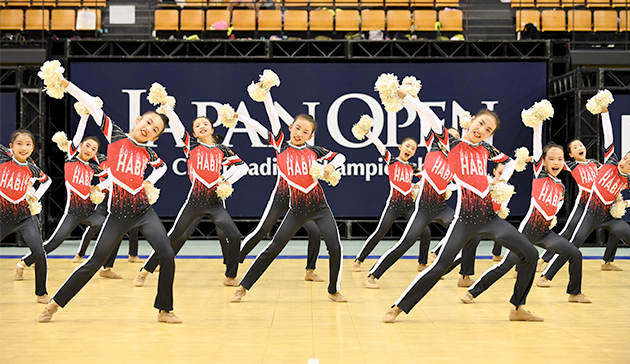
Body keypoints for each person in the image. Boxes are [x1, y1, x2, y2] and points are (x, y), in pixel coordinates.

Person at [383, 89, 542, 323]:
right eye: (481, 124)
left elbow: (508, 162)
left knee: (530, 253)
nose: (482, 130)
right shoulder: (452, 143)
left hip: (490, 218)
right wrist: (407, 97)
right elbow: (430, 116)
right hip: (465, 220)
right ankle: (397, 307)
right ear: (472, 121)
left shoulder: (486, 150)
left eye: (489, 130)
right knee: (439, 266)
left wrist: (502, 178)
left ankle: (517, 307)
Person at [38, 78, 181, 324]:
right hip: (117, 215)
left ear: (156, 136)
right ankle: (54, 304)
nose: (150, 128)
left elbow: (161, 167)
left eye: (156, 129)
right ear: (138, 120)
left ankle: (164, 310)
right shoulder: (115, 135)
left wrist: (149, 181)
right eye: (148, 122)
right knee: (95, 261)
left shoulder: (149, 152)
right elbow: (92, 106)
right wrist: (67, 85)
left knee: (167, 253)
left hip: (144, 211)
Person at [229, 88, 347, 303]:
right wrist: (265, 95)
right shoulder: (281, 145)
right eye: (297, 128)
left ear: (310, 136)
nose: (299, 133)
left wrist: (330, 166)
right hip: (296, 210)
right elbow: (270, 118)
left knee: (335, 246)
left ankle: (333, 290)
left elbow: (341, 156)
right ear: (290, 127)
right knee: (273, 247)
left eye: (305, 132)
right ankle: (243, 287)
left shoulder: (315, 151)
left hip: (320, 208)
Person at [461, 118, 591, 306]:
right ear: (543, 161)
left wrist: (551, 218)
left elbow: (554, 207)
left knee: (575, 254)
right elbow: (538, 148)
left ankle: (574, 292)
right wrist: (537, 124)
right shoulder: (540, 174)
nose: (556, 162)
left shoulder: (561, 186)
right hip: (526, 233)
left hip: (545, 234)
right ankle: (472, 292)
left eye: (560, 159)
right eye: (551, 158)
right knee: (506, 265)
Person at [361, 91, 476, 290]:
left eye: (457, 138)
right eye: (452, 137)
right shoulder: (432, 146)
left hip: (441, 207)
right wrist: (413, 99)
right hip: (422, 208)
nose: (454, 141)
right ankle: (372, 275)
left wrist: (452, 187)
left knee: (471, 234)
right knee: (405, 244)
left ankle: (463, 275)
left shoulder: (457, 160)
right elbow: (426, 116)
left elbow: (459, 183)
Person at [134, 97, 248, 288]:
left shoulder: (222, 150)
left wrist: (226, 180)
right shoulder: (191, 146)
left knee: (235, 236)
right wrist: (166, 107)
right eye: (197, 125)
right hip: (194, 202)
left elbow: (243, 167)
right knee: (174, 236)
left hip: (215, 203)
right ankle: (145, 270)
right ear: (194, 132)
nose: (201, 126)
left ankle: (230, 276)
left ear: (212, 130)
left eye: (205, 124)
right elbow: (177, 124)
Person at [539, 104, 630, 285]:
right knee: (572, 243)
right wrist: (605, 113)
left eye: (628, 162)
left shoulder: (617, 175)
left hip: (608, 215)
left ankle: (608, 261)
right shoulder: (609, 161)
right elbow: (609, 136)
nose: (624, 161)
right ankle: (545, 275)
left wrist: (626, 203)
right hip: (588, 212)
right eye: (625, 157)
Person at [536, 138, 621, 273]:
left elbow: (607, 176)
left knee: (616, 229)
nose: (579, 147)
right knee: (567, 232)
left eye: (580, 145)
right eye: (575, 147)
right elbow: (551, 161)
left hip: (600, 205)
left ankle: (607, 262)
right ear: (570, 155)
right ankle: (541, 260)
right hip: (583, 204)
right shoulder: (572, 165)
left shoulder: (594, 163)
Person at [352, 131, 428, 274]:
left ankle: (422, 263)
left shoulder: (412, 167)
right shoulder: (392, 161)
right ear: (400, 147)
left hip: (409, 206)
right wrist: (368, 133)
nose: (410, 150)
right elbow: (379, 145)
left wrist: (415, 185)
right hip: (393, 205)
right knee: (380, 232)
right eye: (407, 146)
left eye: (413, 149)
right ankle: (359, 260)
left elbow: (426, 177)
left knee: (426, 232)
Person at [2, 129, 51, 303]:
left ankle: (41, 293)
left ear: (33, 148)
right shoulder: (3, 158)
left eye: (28, 144)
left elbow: (47, 180)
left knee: (39, 253)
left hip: (24, 217)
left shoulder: (32, 168)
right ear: (11, 147)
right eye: (19, 144)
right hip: (2, 217)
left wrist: (36, 196)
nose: (23, 148)